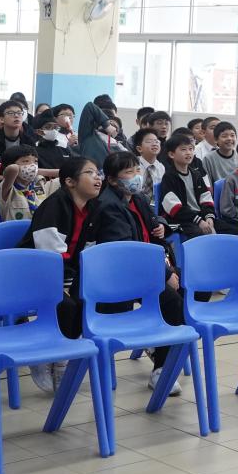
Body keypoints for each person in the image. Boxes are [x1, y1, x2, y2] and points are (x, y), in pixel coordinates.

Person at [97, 151, 185, 395]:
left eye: (137, 170)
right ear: (112, 179)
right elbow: (127, 252)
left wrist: (161, 226)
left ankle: (166, 346)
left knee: (193, 287)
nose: (136, 175)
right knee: (172, 300)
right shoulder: (108, 205)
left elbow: (154, 221)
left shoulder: (137, 198)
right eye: (129, 172)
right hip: (123, 275)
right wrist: (164, 273)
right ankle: (162, 368)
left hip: (149, 266)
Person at [20, 156, 105, 390]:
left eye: (98, 173)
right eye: (90, 173)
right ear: (70, 181)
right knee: (68, 305)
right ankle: (46, 356)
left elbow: (90, 250)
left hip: (68, 273)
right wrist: (66, 284)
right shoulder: (54, 206)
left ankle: (59, 356)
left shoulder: (94, 207)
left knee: (86, 301)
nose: (98, 177)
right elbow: (48, 255)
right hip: (33, 274)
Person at [158, 133, 216, 239]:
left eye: (191, 149)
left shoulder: (196, 174)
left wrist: (209, 217)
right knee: (198, 232)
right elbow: (174, 207)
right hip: (179, 219)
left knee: (228, 229)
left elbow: (206, 198)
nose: (188, 152)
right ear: (171, 154)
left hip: (199, 216)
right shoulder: (169, 177)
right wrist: (199, 221)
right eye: (183, 149)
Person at [0, 144, 58, 222]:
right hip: (18, 229)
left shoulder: (39, 183)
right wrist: (26, 169)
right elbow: (13, 169)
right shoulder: (7, 189)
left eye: (35, 161)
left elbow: (66, 173)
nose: (32, 165)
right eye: (25, 161)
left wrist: (36, 170)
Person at [32, 112, 73, 178]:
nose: (53, 130)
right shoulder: (33, 152)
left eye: (55, 127)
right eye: (48, 127)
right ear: (39, 131)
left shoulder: (64, 150)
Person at [134, 129, 165, 206]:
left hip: (156, 206)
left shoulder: (161, 167)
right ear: (139, 149)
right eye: (149, 141)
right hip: (137, 204)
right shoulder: (134, 165)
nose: (154, 144)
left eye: (156, 141)